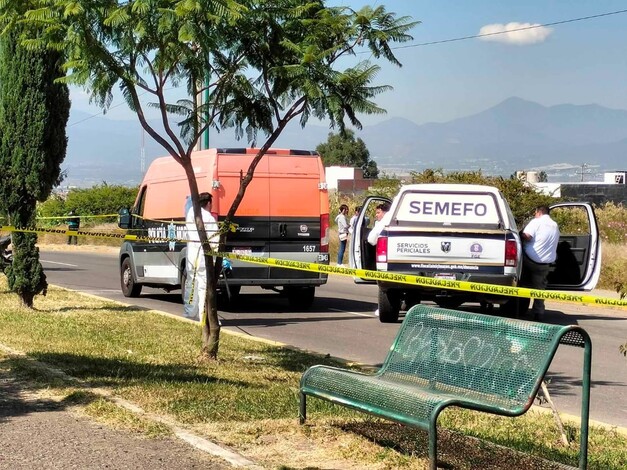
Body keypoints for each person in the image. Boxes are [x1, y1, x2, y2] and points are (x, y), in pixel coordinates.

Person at [520, 205, 560, 320]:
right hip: (546, 262)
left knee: (522, 284)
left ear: (538, 212)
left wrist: (520, 234)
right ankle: (538, 311)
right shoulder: (554, 225)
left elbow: (527, 236)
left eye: (535, 213)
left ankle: (520, 308)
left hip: (530, 259)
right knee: (539, 288)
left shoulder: (536, 222)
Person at [184, 192, 219, 321]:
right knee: (203, 286)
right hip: (204, 258)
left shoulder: (191, 213)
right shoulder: (208, 218)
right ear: (209, 203)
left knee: (191, 284)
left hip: (192, 256)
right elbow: (215, 240)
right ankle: (203, 315)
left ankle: (189, 313)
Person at [366, 202, 391, 317]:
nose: (376, 215)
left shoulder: (384, 222)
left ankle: (384, 308)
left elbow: (371, 239)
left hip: (387, 259)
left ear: (384, 212)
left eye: (378, 212)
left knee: (385, 287)